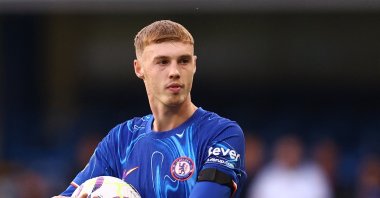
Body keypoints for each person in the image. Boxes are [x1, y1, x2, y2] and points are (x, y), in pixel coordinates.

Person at [53, 20, 246, 198]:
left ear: (194, 65)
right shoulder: (121, 139)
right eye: (162, 62)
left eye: (183, 61)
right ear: (139, 68)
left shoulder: (222, 134)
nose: (174, 72)